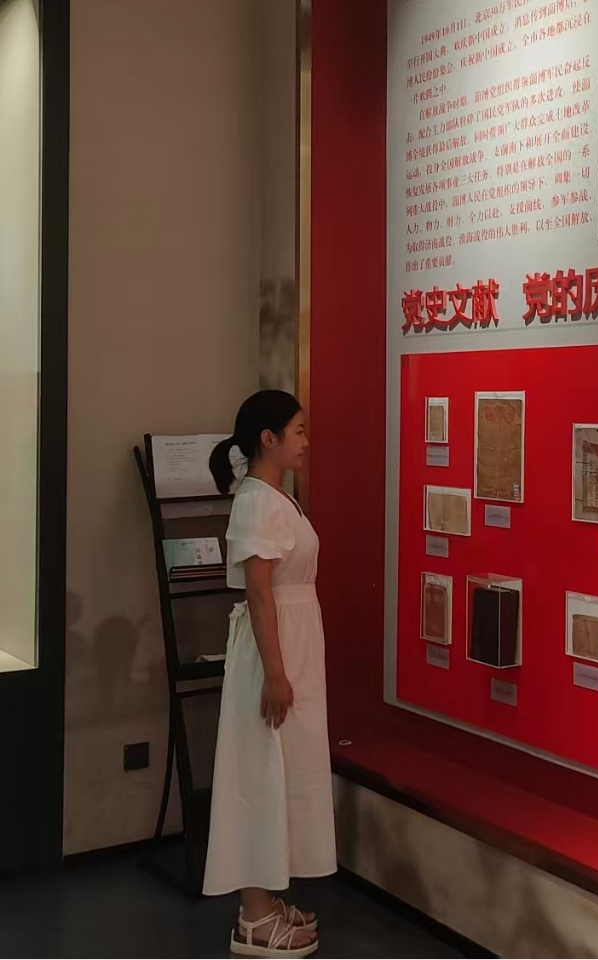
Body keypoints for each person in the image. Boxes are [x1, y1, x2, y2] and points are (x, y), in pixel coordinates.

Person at [203, 390, 335, 958]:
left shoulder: (276, 496)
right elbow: (259, 592)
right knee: (260, 769)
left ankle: (263, 897)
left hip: (292, 640)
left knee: (283, 768)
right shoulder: (257, 501)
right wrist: (276, 675)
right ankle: (253, 917)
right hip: (273, 647)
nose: (306, 441)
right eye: (298, 431)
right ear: (268, 438)